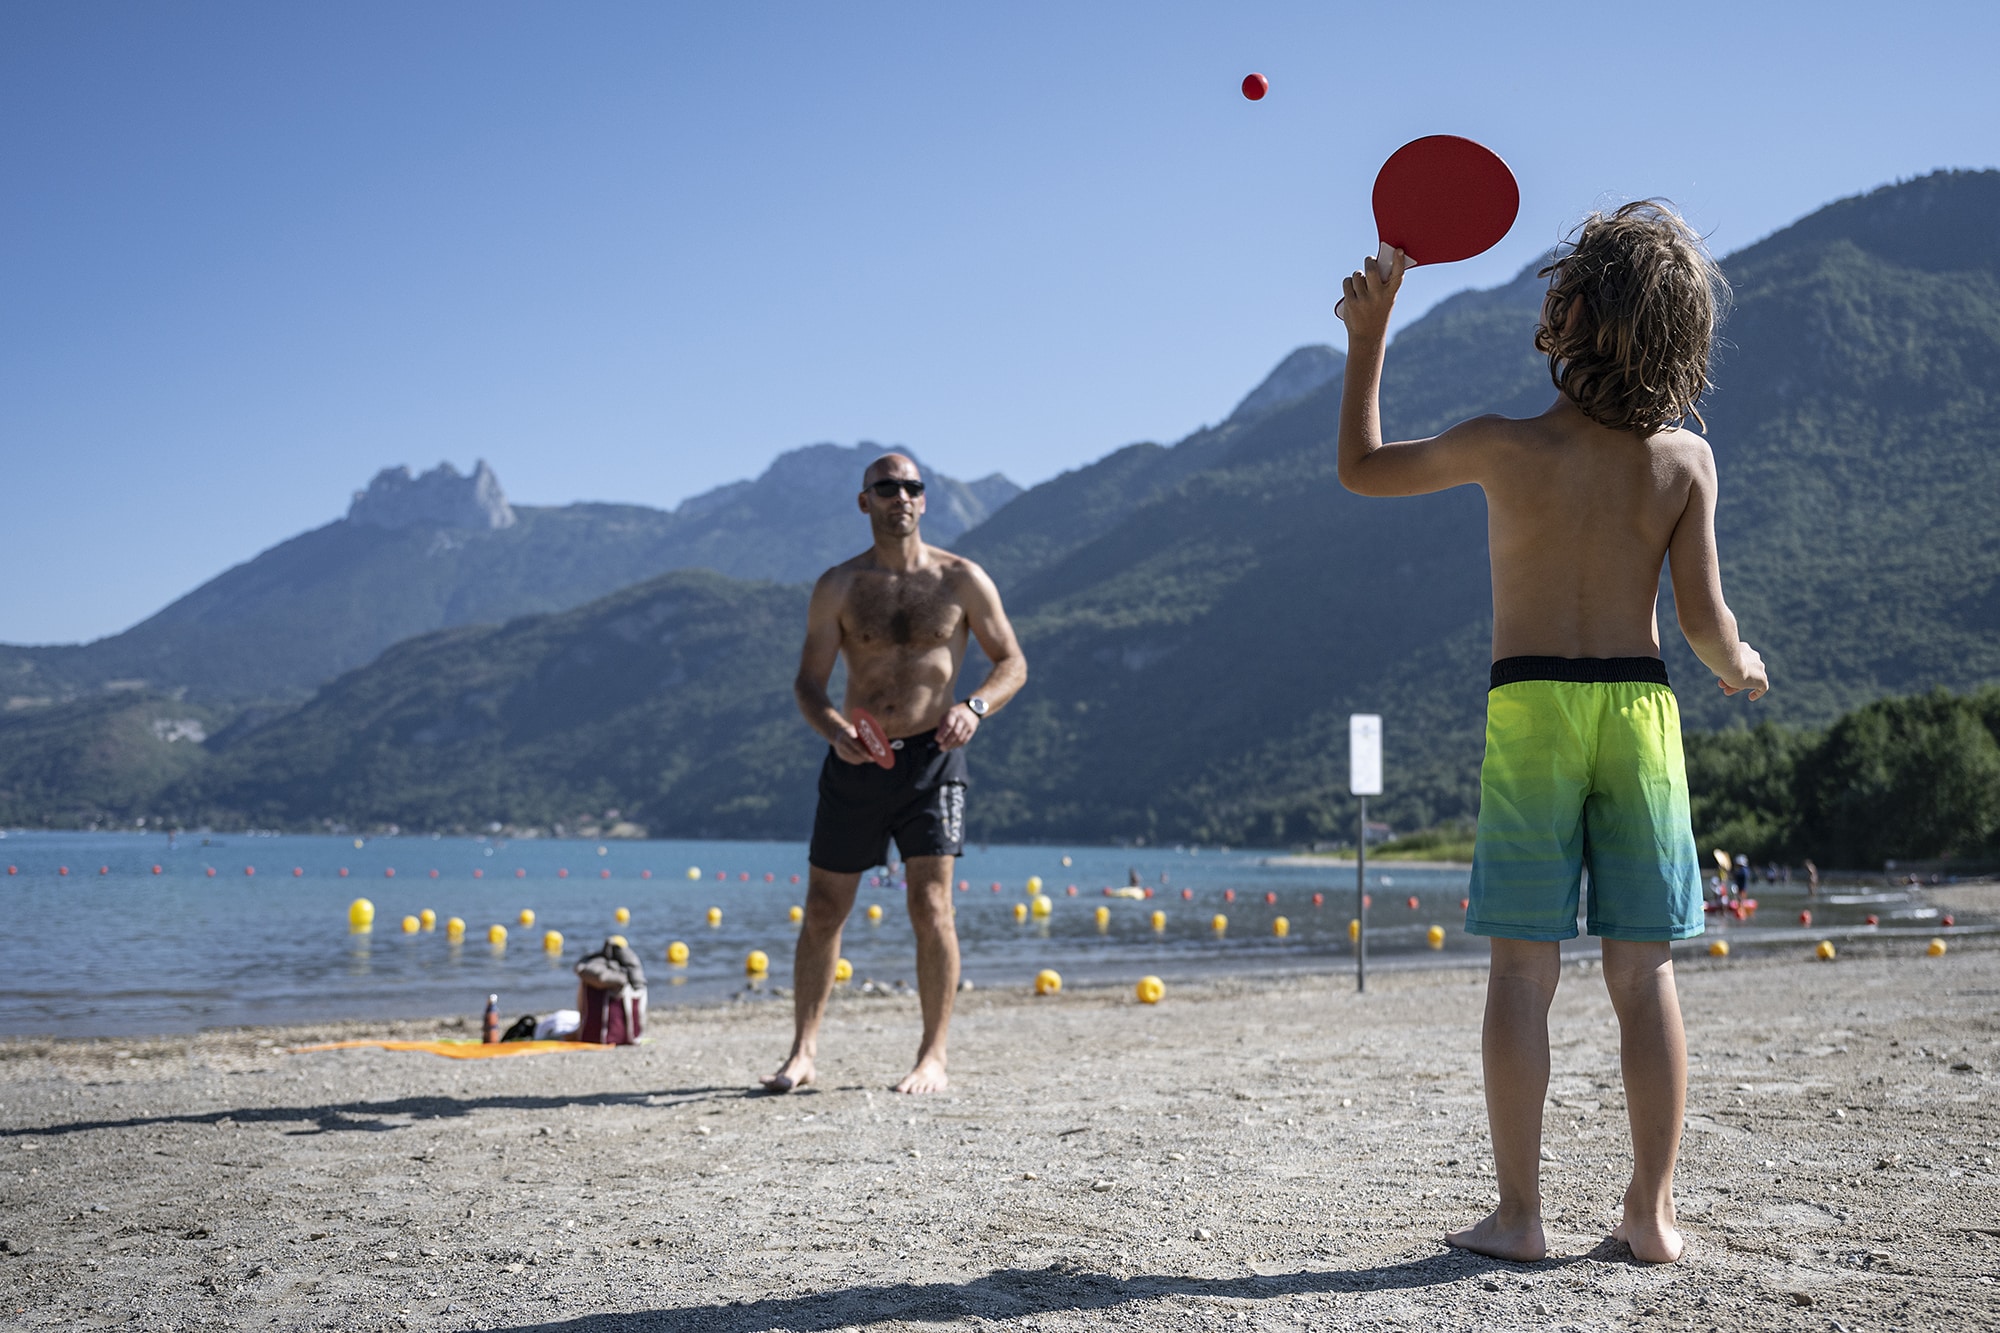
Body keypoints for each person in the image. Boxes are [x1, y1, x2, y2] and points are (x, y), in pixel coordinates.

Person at [1337, 201, 1769, 1265]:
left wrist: (1367, 339)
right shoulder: (1682, 465)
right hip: (1638, 707)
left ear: (1569, 314)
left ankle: (1520, 1216)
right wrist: (1740, 664)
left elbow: (1362, 466)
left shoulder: (1503, 444)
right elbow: (1705, 623)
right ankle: (1649, 1213)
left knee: (1522, 973)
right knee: (1643, 972)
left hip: (1530, 705)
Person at [763, 453, 1027, 1095]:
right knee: (825, 907)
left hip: (934, 759)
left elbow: (1012, 661)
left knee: (931, 903)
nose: (901, 497)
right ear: (865, 502)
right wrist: (835, 732)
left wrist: (975, 707)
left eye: (912, 487)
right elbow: (808, 682)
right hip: (856, 758)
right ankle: (803, 1053)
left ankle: (932, 1055)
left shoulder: (962, 579)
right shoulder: (840, 586)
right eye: (887, 487)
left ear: (924, 501)